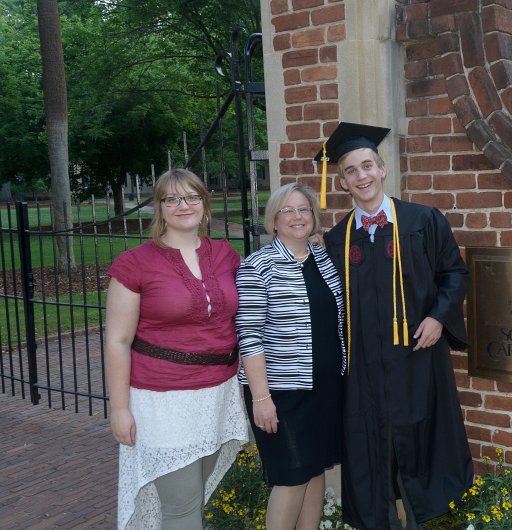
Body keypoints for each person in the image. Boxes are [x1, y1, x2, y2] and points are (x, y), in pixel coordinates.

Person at [318, 122, 474, 529]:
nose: (362, 176)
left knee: (419, 438)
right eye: (351, 170)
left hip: (416, 358)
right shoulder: (337, 239)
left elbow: (455, 274)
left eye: (367, 165)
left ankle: (426, 520)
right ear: (342, 181)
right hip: (364, 367)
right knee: (370, 447)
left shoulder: (423, 221)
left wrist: (439, 317)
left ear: (382, 169)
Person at [104, 168, 249, 530]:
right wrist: (120, 408)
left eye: (192, 197)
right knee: (182, 507)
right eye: (172, 198)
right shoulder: (135, 263)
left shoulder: (226, 255)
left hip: (218, 394)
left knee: (195, 498)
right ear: (159, 207)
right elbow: (118, 341)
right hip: (163, 401)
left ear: (204, 203)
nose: (183, 205)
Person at [235, 183, 346, 530]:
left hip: (325, 388)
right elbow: (249, 337)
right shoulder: (258, 266)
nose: (297, 217)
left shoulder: (324, 260)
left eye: (304, 209)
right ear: (274, 219)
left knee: (315, 472)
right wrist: (261, 398)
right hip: (282, 393)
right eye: (288, 210)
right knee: (292, 477)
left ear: (313, 215)